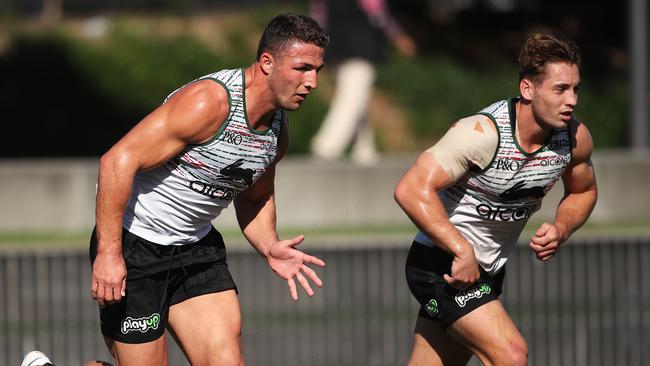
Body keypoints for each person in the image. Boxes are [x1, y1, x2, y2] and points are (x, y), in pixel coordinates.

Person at [89, 13, 329, 365]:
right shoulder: (209, 103)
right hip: (135, 247)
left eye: (317, 71)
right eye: (302, 68)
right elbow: (116, 162)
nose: (312, 82)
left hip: (196, 251)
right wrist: (109, 254)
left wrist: (269, 245)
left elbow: (255, 196)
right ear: (266, 63)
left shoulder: (277, 133)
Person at [394, 32, 597, 365]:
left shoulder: (573, 139)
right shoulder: (482, 134)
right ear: (527, 89)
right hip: (441, 265)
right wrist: (461, 249)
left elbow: (584, 190)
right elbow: (411, 188)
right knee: (511, 354)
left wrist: (562, 227)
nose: (571, 100)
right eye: (560, 89)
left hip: (486, 271)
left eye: (576, 89)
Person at [309, 0, 416, 165]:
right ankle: (327, 145)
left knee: (357, 97)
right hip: (360, 48)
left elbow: (319, 18)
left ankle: (364, 148)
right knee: (351, 99)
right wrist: (398, 36)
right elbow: (379, 15)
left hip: (335, 49)